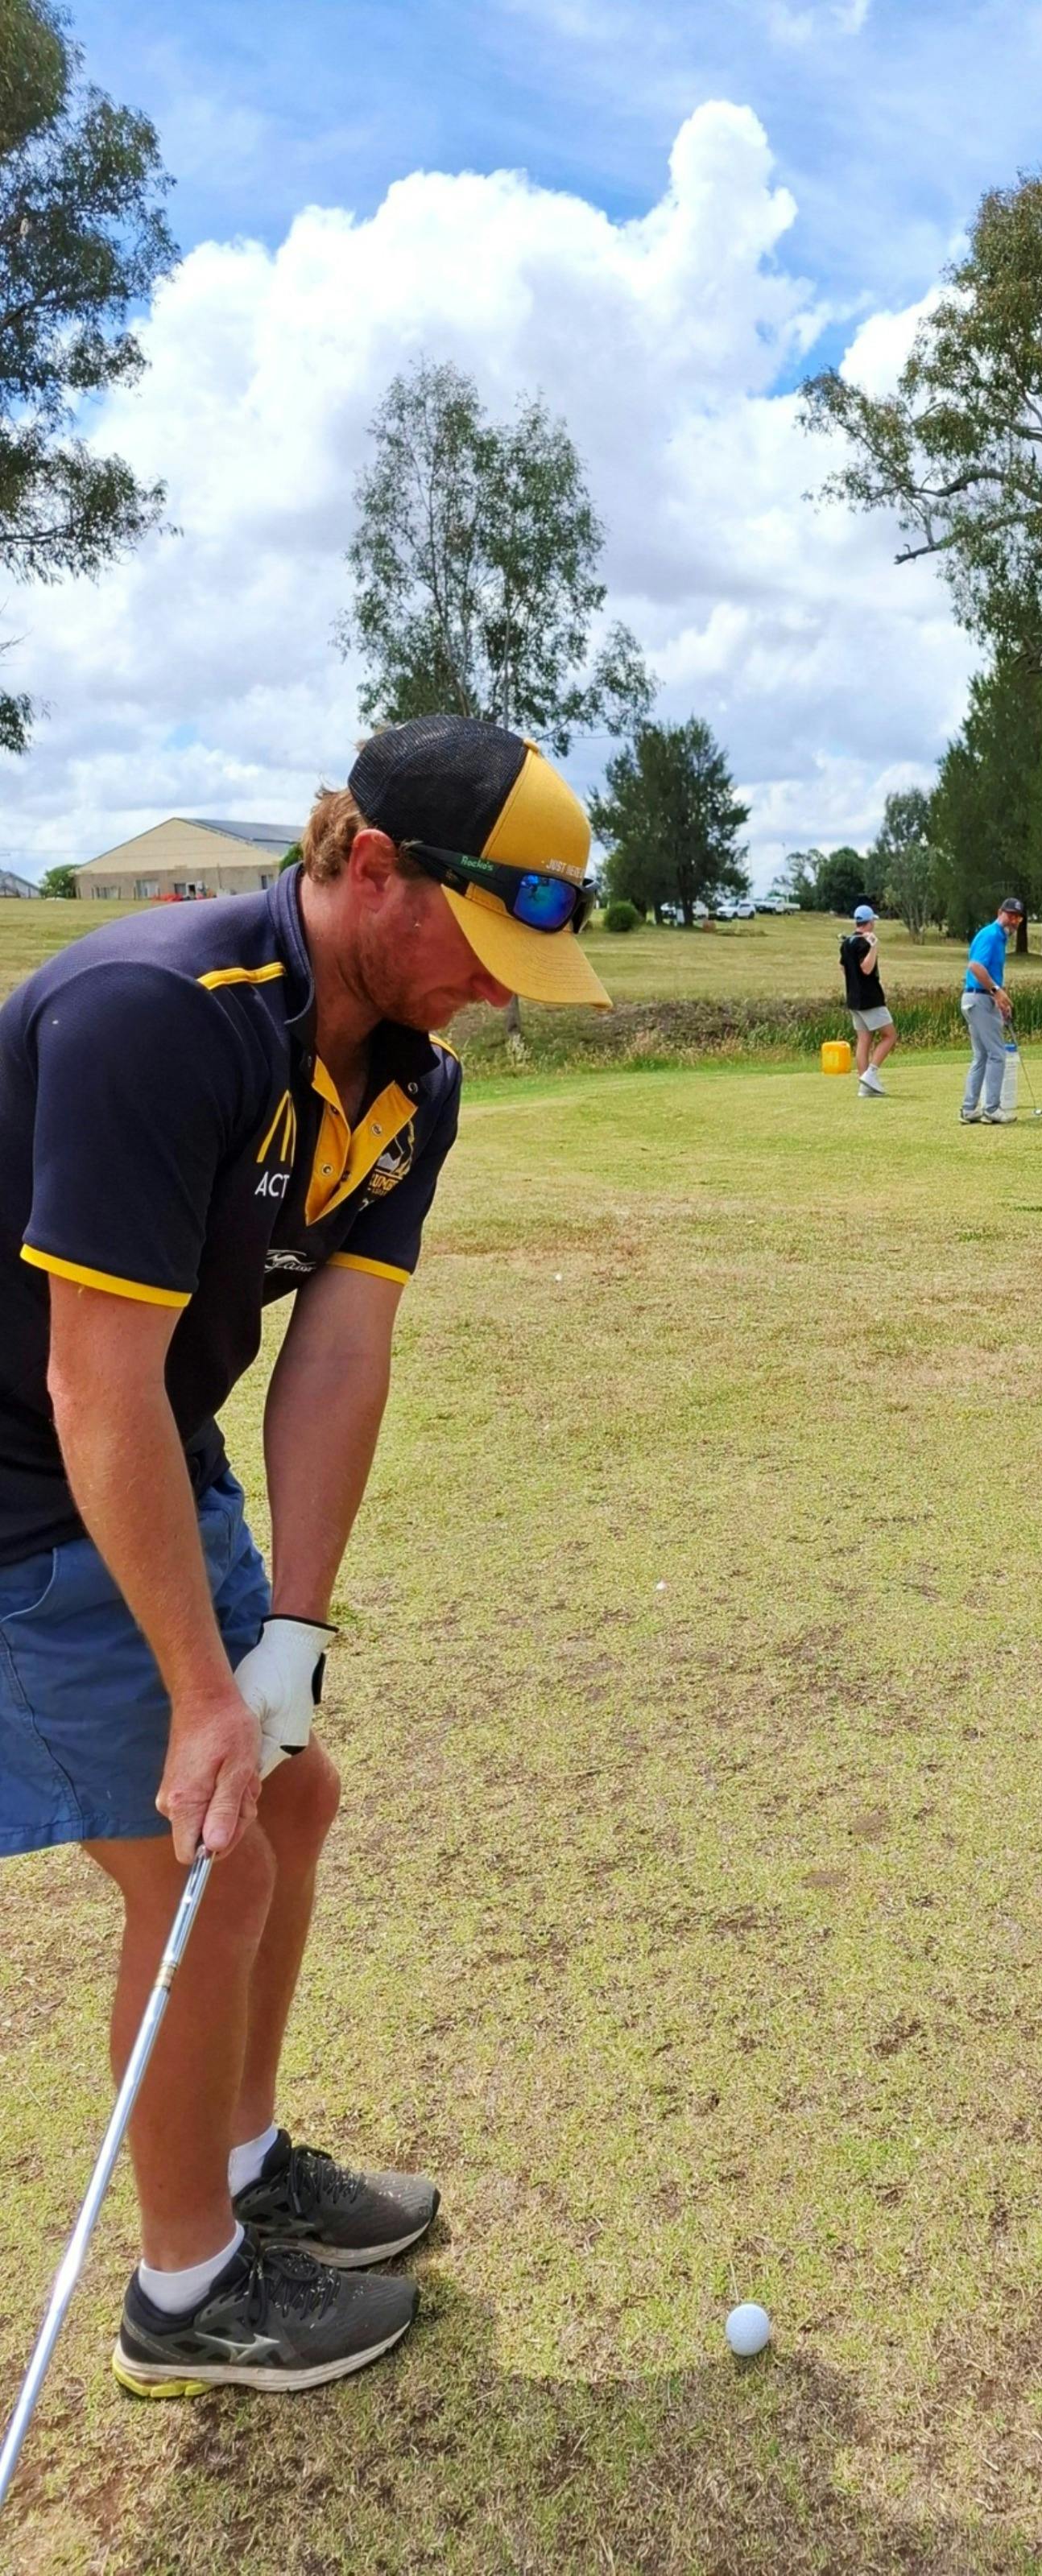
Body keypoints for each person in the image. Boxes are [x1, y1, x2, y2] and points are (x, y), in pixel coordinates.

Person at [0, 713, 610, 2401]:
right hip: (22, 1470)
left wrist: (294, 1630)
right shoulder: (157, 1017)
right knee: (208, 1850)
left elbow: (338, 1351)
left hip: (141, 1447)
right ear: (365, 866)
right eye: (469, 945)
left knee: (296, 1796)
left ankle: (248, 2166)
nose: (487, 989)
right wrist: (197, 1690)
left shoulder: (412, 1078)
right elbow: (86, 1376)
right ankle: (186, 2291)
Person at [960, 897, 1023, 1125]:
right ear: (1000, 913)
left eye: (1018, 918)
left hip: (977, 998)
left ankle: (969, 1109)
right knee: (997, 1054)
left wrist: (999, 998)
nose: (1013, 921)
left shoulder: (1000, 938)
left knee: (981, 1055)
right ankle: (992, 1109)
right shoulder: (991, 935)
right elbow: (975, 966)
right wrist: (997, 991)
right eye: (1010, 915)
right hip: (979, 998)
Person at [839, 903, 895, 1097]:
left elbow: (844, 969)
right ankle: (871, 1074)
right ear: (869, 922)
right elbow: (867, 968)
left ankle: (864, 1087)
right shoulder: (865, 943)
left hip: (854, 999)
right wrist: (874, 946)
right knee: (890, 1035)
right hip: (870, 999)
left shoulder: (847, 943)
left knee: (864, 1039)